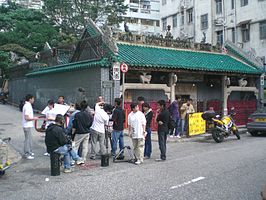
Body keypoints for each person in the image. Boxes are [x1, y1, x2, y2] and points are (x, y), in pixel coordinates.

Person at [22, 94, 39, 160]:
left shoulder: (28, 105)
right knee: (27, 140)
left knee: (29, 139)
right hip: (27, 125)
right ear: (30, 99)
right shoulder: (27, 106)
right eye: (33, 99)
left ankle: (29, 151)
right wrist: (34, 118)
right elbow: (26, 117)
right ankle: (27, 153)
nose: (33, 100)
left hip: (27, 125)